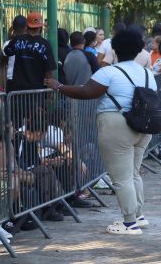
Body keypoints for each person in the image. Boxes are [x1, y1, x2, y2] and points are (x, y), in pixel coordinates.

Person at [45, 29, 156, 235]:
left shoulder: (110, 72)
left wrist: (58, 86)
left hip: (116, 124)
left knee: (121, 177)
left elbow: (86, 91)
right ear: (138, 49)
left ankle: (129, 223)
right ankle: (138, 216)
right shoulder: (147, 73)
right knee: (133, 173)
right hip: (143, 126)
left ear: (115, 50)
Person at [3, 12, 56, 92]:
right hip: (36, 91)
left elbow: (7, 51)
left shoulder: (17, 40)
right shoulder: (45, 44)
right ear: (40, 27)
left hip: (17, 90)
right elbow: (49, 72)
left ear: (27, 26)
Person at [2, 15, 27, 93]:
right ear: (26, 27)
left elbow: (2, 58)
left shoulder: (7, 44)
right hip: (27, 78)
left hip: (12, 78)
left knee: (12, 103)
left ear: (13, 27)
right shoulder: (31, 43)